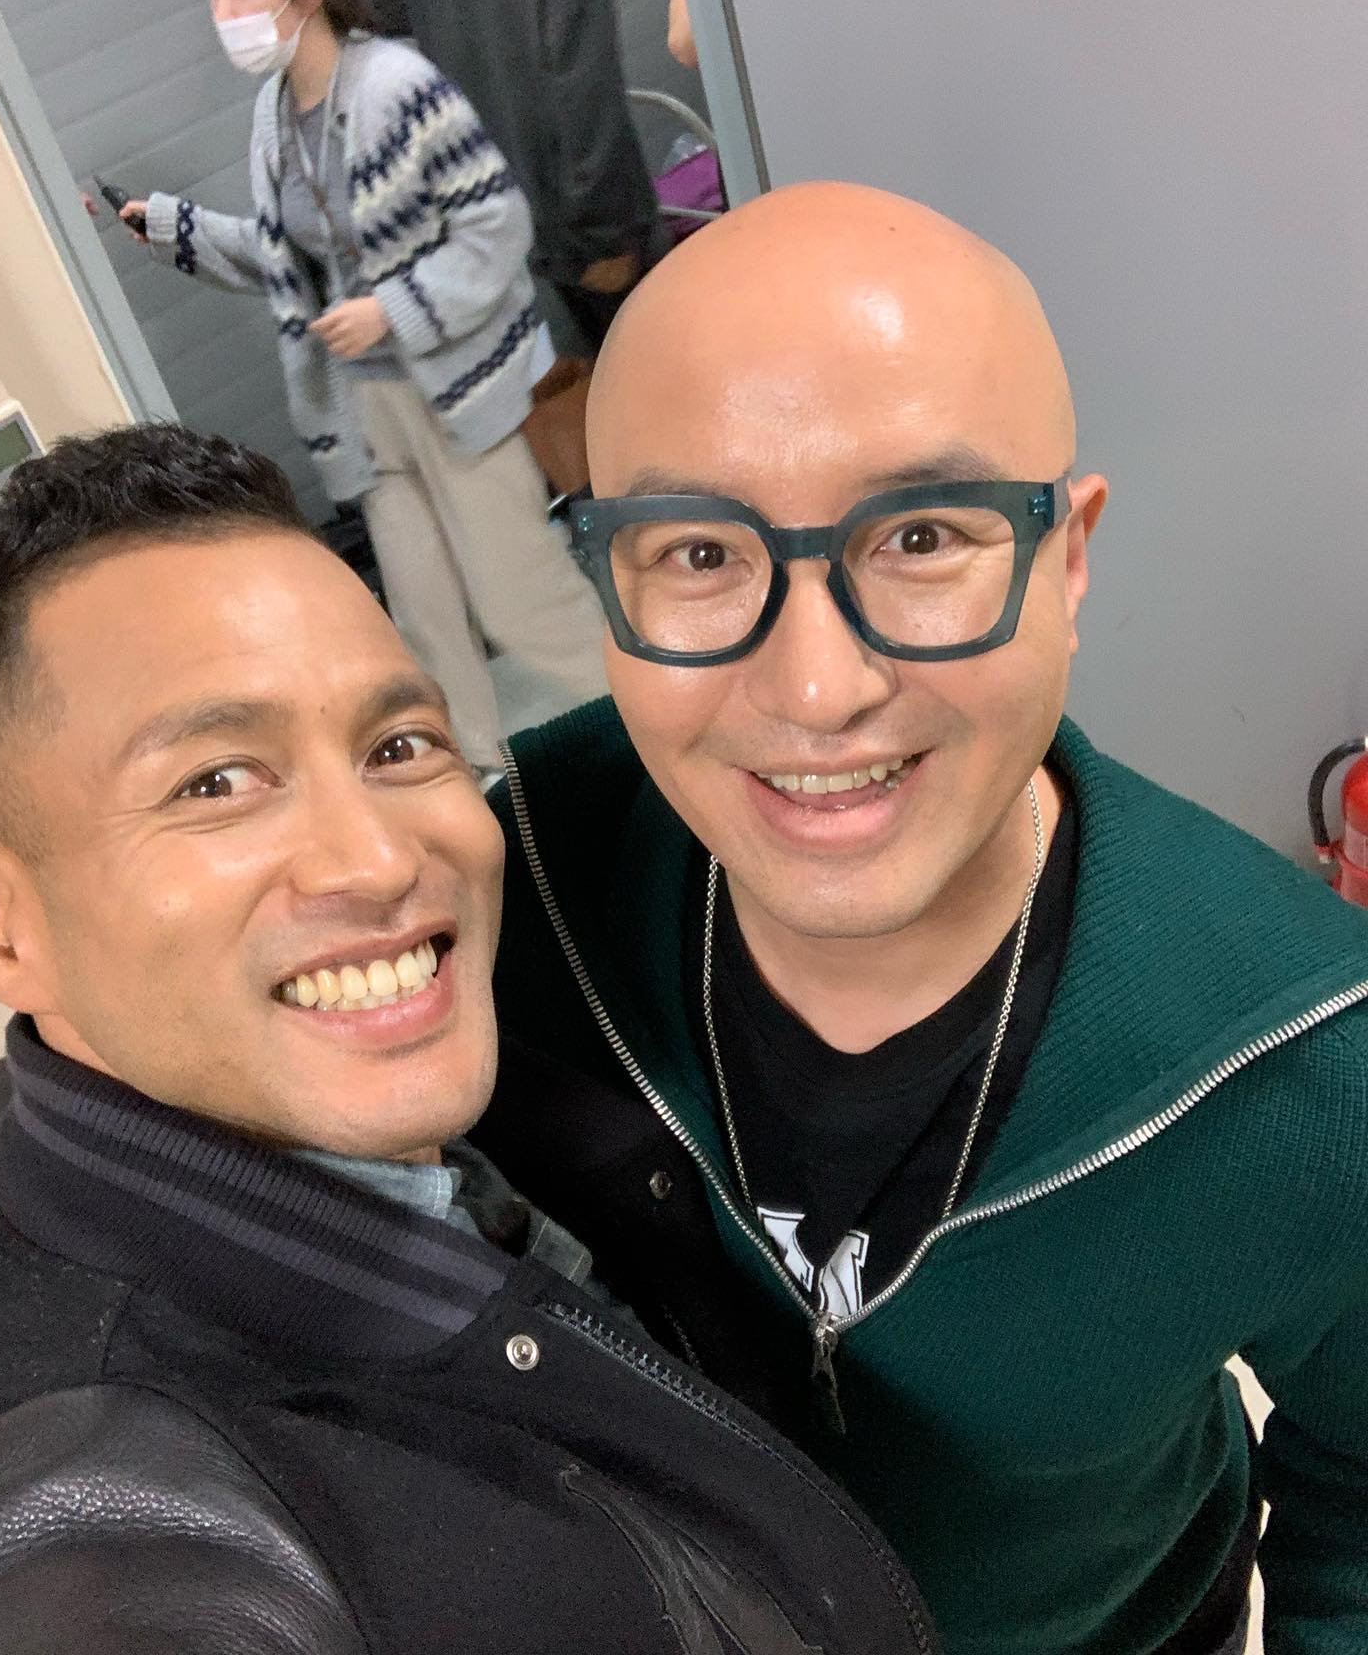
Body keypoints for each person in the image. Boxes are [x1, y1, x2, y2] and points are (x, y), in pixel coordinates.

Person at [478, 183, 1368, 1654]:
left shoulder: (1311, 1057)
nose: (817, 688)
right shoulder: (513, 890)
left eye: (923, 536)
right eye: (698, 553)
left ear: (1067, 562)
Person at [0, 423, 937, 1654]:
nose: (379, 858)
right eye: (216, 783)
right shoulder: (108, 1530)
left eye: (397, 747)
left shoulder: (500, 1120)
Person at [120, 0, 605, 773]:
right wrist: (172, 228)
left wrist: (394, 307)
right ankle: (484, 786)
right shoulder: (273, 118)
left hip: (457, 393)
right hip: (367, 411)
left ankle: (640, 731)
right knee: (423, 625)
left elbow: (497, 223)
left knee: (519, 599)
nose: (224, 13)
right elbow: (285, 259)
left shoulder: (396, 87)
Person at [369, 0, 662, 353]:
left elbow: (363, 4)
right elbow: (583, 83)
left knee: (607, 361)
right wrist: (607, 235)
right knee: (658, 364)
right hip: (586, 226)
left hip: (512, 219)